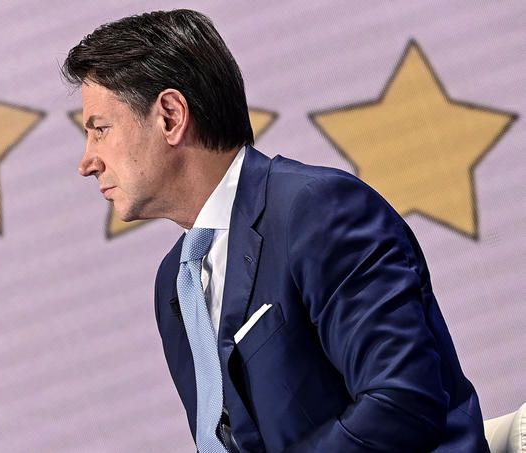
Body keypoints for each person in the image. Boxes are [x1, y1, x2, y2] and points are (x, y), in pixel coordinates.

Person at [61, 9, 489, 453]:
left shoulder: (317, 211)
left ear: (170, 116)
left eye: (100, 130)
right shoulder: (175, 282)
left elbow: (402, 403)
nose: (87, 163)